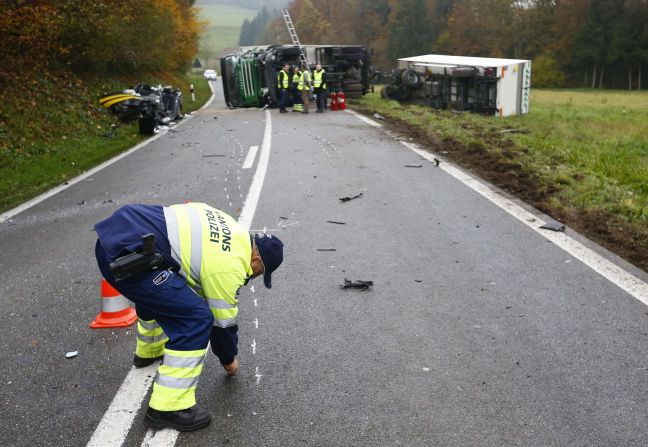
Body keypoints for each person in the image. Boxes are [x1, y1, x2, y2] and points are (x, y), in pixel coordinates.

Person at [94, 203, 284, 431]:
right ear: (256, 260)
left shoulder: (230, 227)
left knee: (163, 293)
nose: (253, 277)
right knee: (195, 318)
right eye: (259, 273)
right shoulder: (231, 266)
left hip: (116, 238)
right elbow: (221, 324)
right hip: (127, 258)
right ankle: (167, 408)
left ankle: (148, 351)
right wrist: (228, 360)